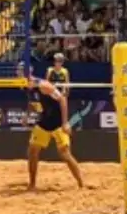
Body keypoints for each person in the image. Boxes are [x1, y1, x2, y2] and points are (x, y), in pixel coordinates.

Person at [20, 62, 83, 190]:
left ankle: (81, 183)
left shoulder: (43, 85)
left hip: (57, 123)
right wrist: (27, 116)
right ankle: (32, 184)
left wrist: (65, 123)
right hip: (44, 122)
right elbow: (32, 103)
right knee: (32, 151)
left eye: (21, 71)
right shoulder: (27, 87)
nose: (18, 73)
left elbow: (62, 99)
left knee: (65, 154)